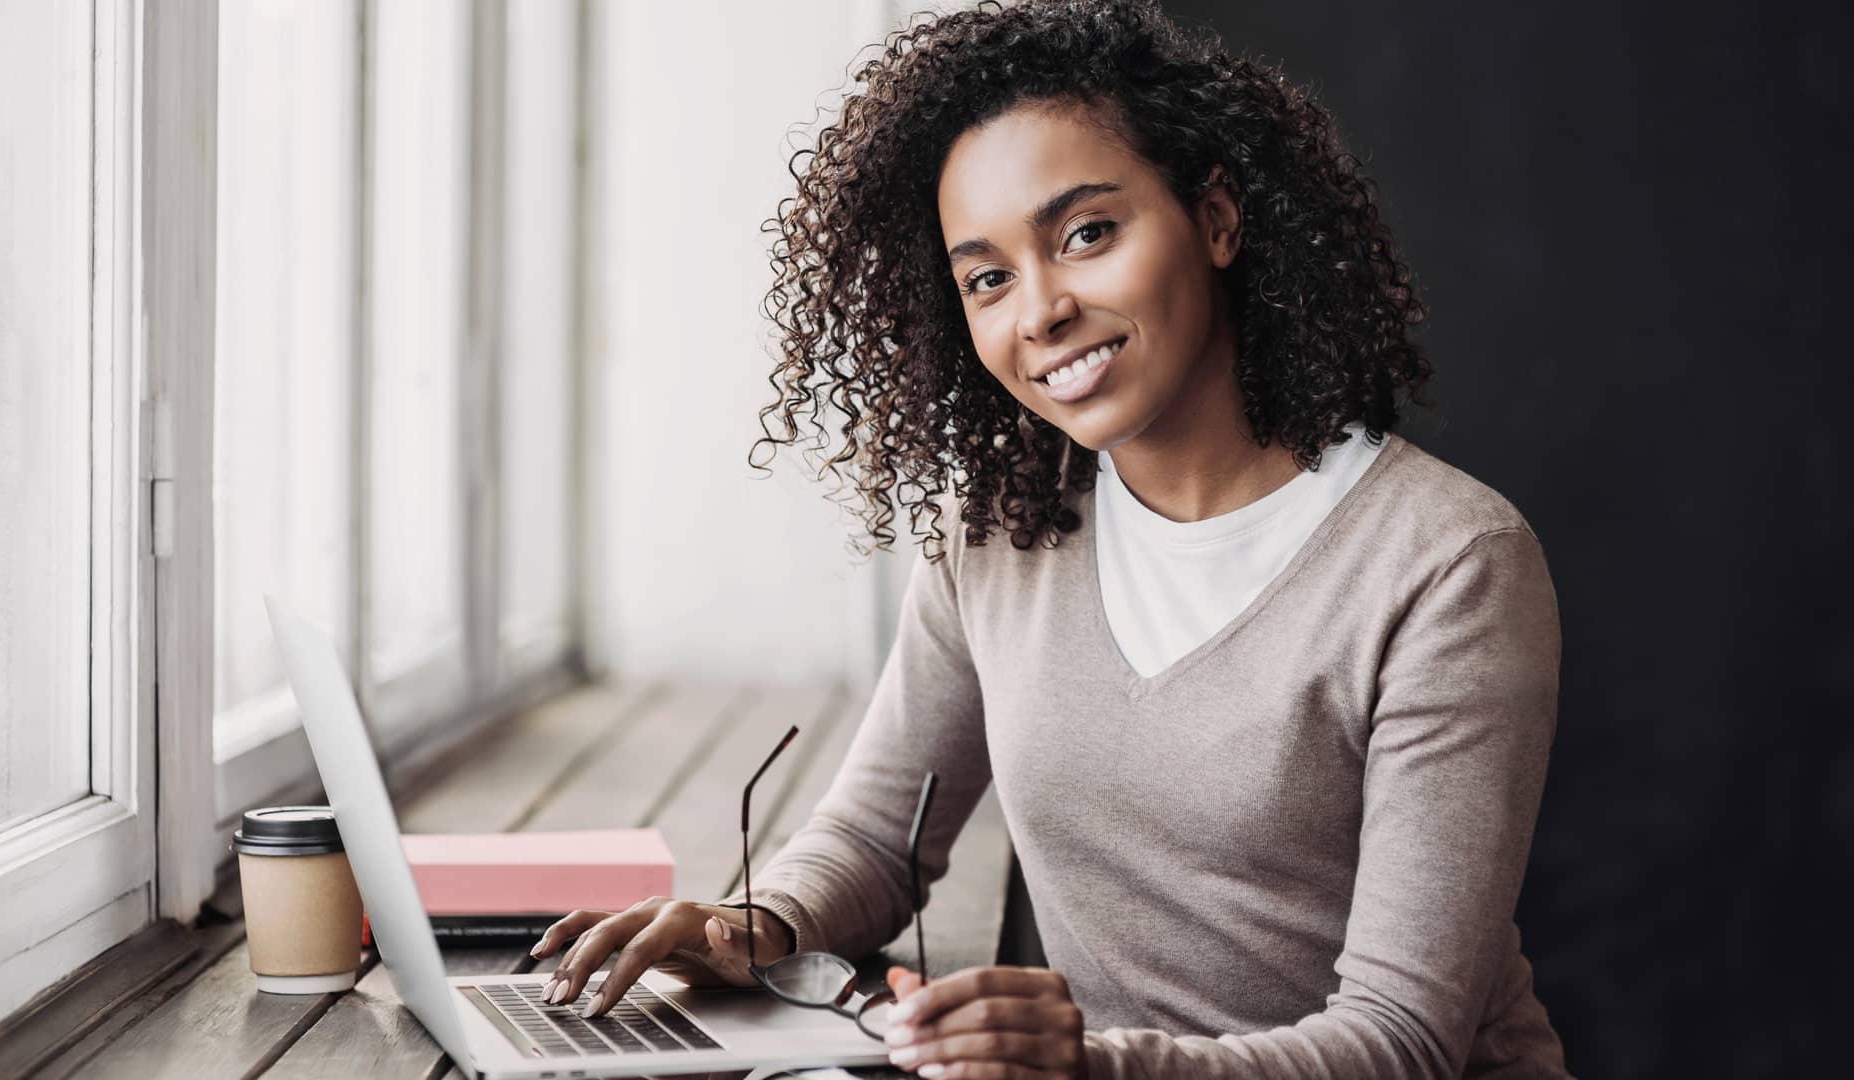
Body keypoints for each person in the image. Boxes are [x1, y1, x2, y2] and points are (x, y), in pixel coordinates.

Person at [528, 1, 1570, 1076]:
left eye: (1086, 235)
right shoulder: (1003, 537)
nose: (1040, 312)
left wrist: (1094, 1068)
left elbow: (1404, 1043)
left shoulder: (1448, 564)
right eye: (987, 277)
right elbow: (879, 840)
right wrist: (753, 927)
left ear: (1216, 221)